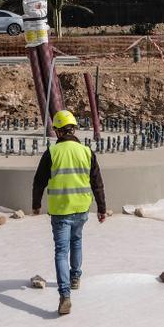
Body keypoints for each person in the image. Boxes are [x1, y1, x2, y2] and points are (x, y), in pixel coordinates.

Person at [32, 109, 106, 316]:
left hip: (60, 211)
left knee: (61, 251)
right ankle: (75, 277)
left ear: (57, 131)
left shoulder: (52, 153)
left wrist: (36, 205)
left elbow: (39, 182)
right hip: (82, 208)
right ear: (73, 130)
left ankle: (65, 295)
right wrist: (101, 208)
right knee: (77, 242)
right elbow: (97, 183)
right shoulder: (86, 152)